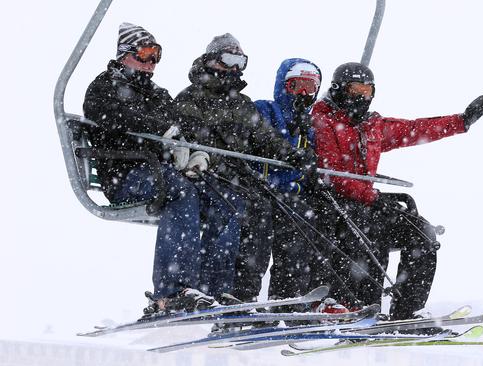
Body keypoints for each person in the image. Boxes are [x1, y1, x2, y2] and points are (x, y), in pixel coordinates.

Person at [311, 62, 483, 320]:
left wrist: (461, 122)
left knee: (422, 233)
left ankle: (407, 311)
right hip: (333, 202)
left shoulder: (371, 126)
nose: (362, 98)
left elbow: (414, 129)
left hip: (366, 202)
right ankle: (365, 307)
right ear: (340, 89)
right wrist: (371, 197)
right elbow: (331, 173)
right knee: (369, 231)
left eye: (367, 91)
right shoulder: (323, 120)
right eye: (356, 90)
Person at [83, 23, 242, 316]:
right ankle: (169, 294)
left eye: (155, 55)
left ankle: (209, 290)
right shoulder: (104, 87)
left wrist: (196, 154)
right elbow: (111, 115)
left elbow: (183, 128)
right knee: (181, 191)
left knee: (224, 201)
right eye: (143, 54)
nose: (150, 62)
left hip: (159, 172)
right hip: (126, 175)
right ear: (124, 55)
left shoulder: (158, 94)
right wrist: (160, 131)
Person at [173, 36, 317, 304]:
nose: (235, 68)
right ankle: (212, 287)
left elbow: (265, 137)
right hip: (203, 176)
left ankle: (245, 293)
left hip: (236, 180)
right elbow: (194, 141)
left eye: (241, 61)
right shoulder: (191, 97)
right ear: (212, 60)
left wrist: (295, 156)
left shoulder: (241, 103)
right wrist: (219, 164)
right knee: (238, 209)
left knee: (269, 208)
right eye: (230, 60)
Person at [230, 58, 344, 312]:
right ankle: (242, 298)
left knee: (301, 237)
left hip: (290, 196)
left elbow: (315, 158)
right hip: (259, 190)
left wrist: (314, 173)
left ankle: (288, 300)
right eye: (297, 86)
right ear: (284, 86)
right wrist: (288, 154)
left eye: (310, 88)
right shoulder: (265, 110)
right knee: (256, 240)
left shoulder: (308, 127)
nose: (303, 94)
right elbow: (258, 137)